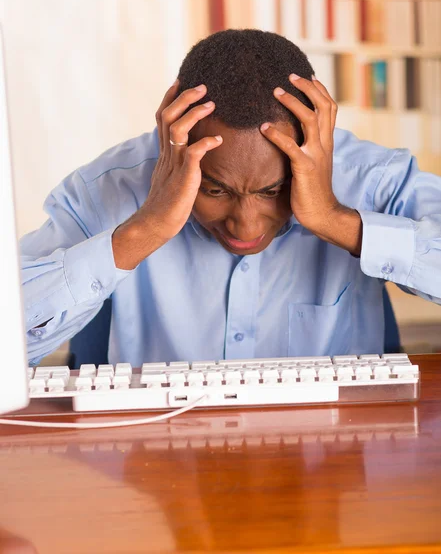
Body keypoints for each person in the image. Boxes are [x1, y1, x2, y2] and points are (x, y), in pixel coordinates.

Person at [21, 29, 441, 366]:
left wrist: (335, 219)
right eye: (215, 188)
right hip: (153, 457)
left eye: (273, 190)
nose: (247, 226)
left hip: (334, 456)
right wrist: (144, 229)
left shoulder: (370, 178)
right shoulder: (104, 189)